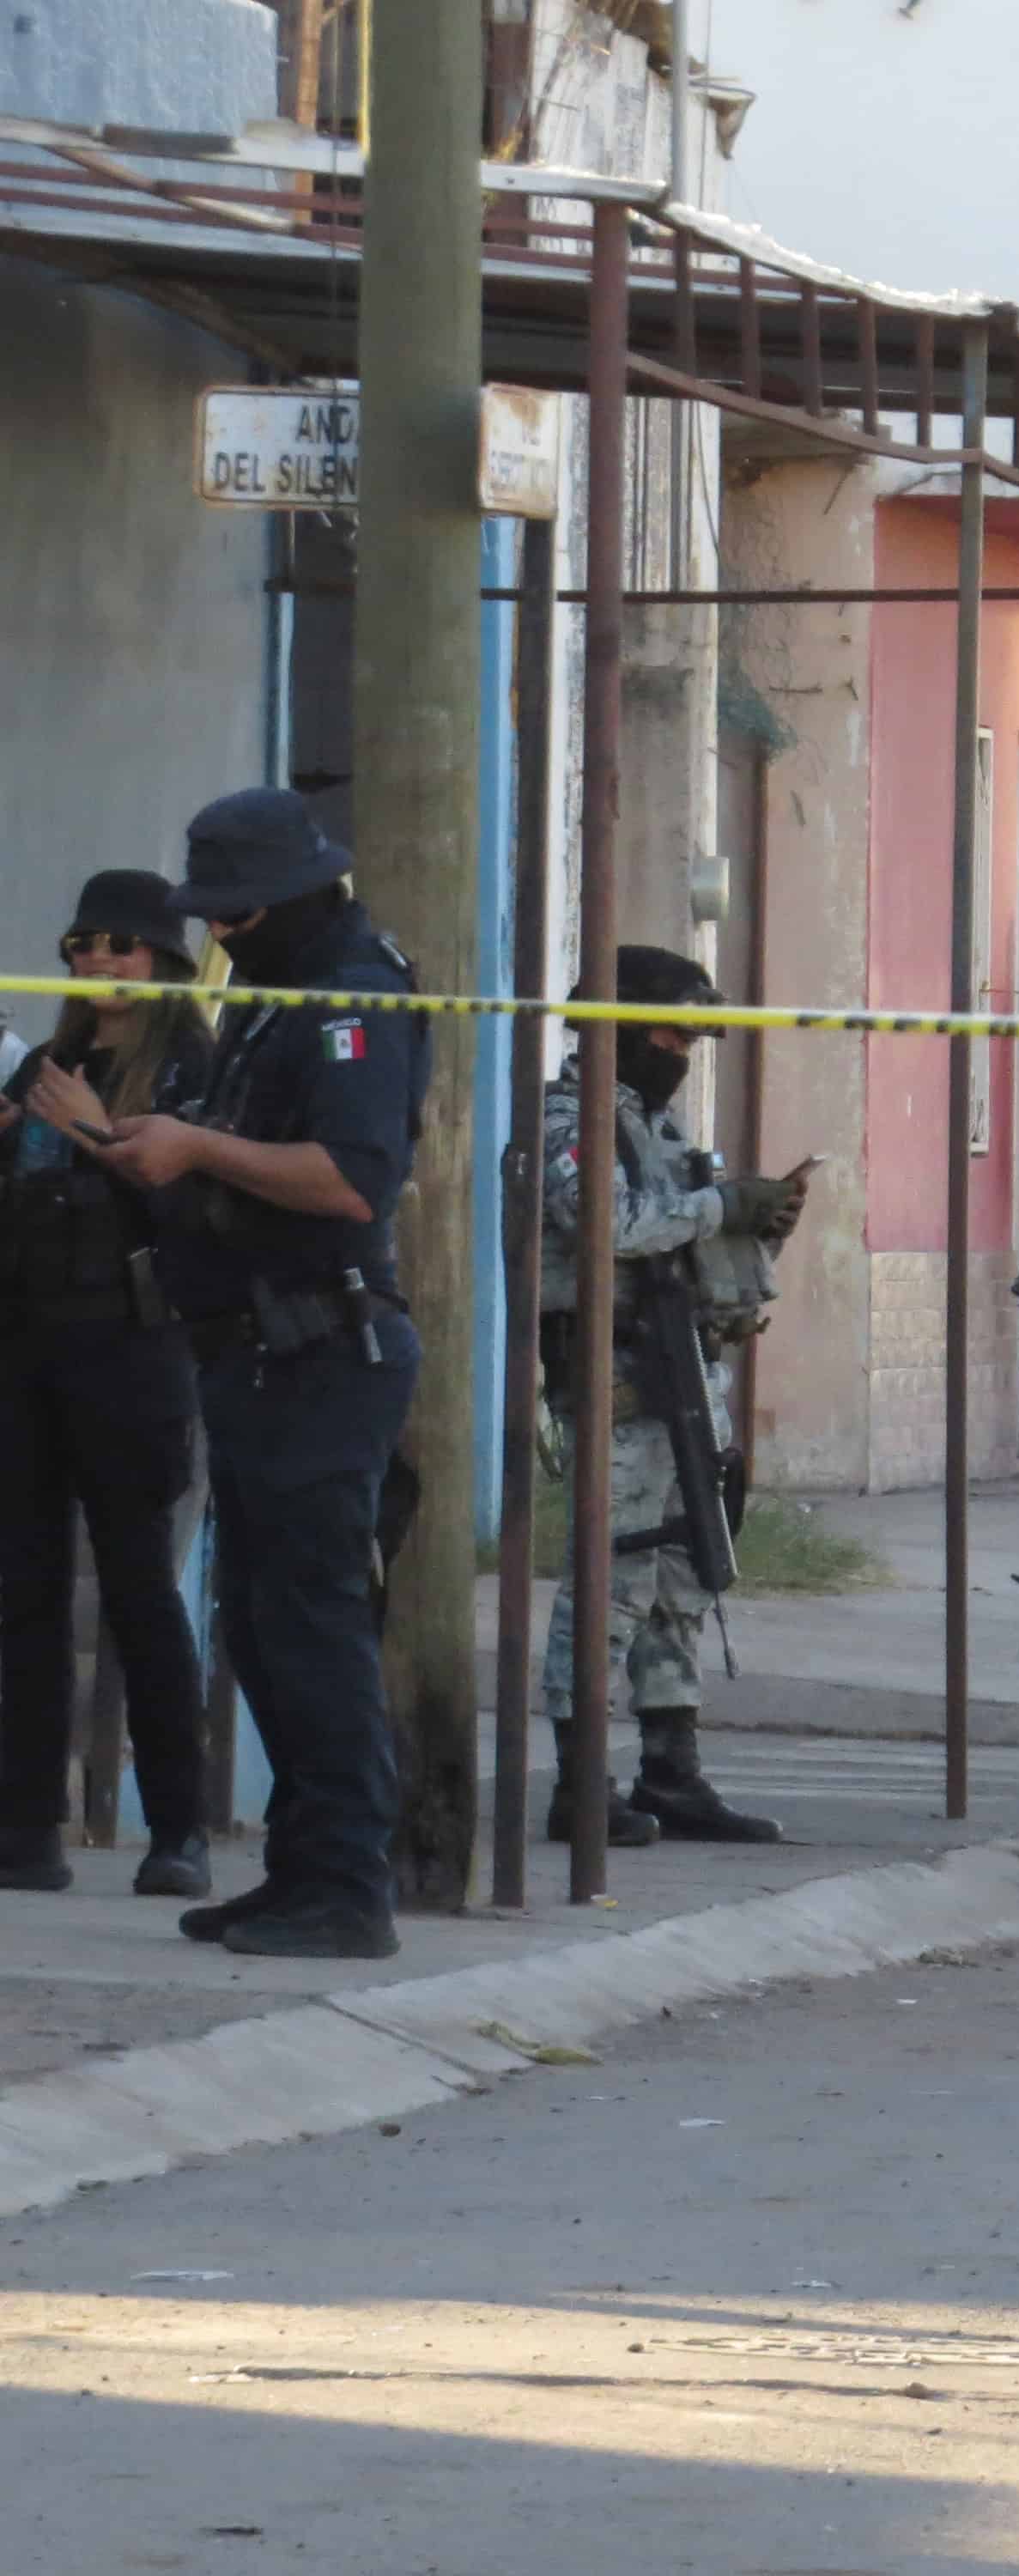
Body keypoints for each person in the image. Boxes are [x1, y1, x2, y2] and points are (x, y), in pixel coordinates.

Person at [91, 791, 427, 1959]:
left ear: (288, 897)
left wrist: (195, 1147)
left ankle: (347, 1887)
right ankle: (301, 1873)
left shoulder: (355, 996)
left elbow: (349, 1181)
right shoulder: (279, 992)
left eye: (232, 915)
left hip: (321, 1354)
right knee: (265, 1632)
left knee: (313, 1630)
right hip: (254, 1355)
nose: (219, 935)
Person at [537, 946, 804, 1847]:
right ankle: (580, 1779)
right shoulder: (569, 1121)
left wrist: (757, 1224)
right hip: (613, 1374)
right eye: (670, 1035)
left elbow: (689, 1237)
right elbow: (608, 1223)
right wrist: (723, 1206)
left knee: (683, 1573)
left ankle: (671, 1770)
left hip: (685, 1371)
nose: (682, 1054)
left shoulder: (659, 1128)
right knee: (612, 1573)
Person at [0, 873, 219, 1899]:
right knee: (25, 1592)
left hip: (131, 1353)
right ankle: (26, 1827)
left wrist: (95, 1130)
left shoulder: (190, 1071)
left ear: (163, 962)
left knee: (140, 1593)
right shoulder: (48, 1065)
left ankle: (178, 1829)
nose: (99, 962)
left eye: (121, 947)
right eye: (84, 945)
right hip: (28, 1352)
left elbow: (194, 1213)